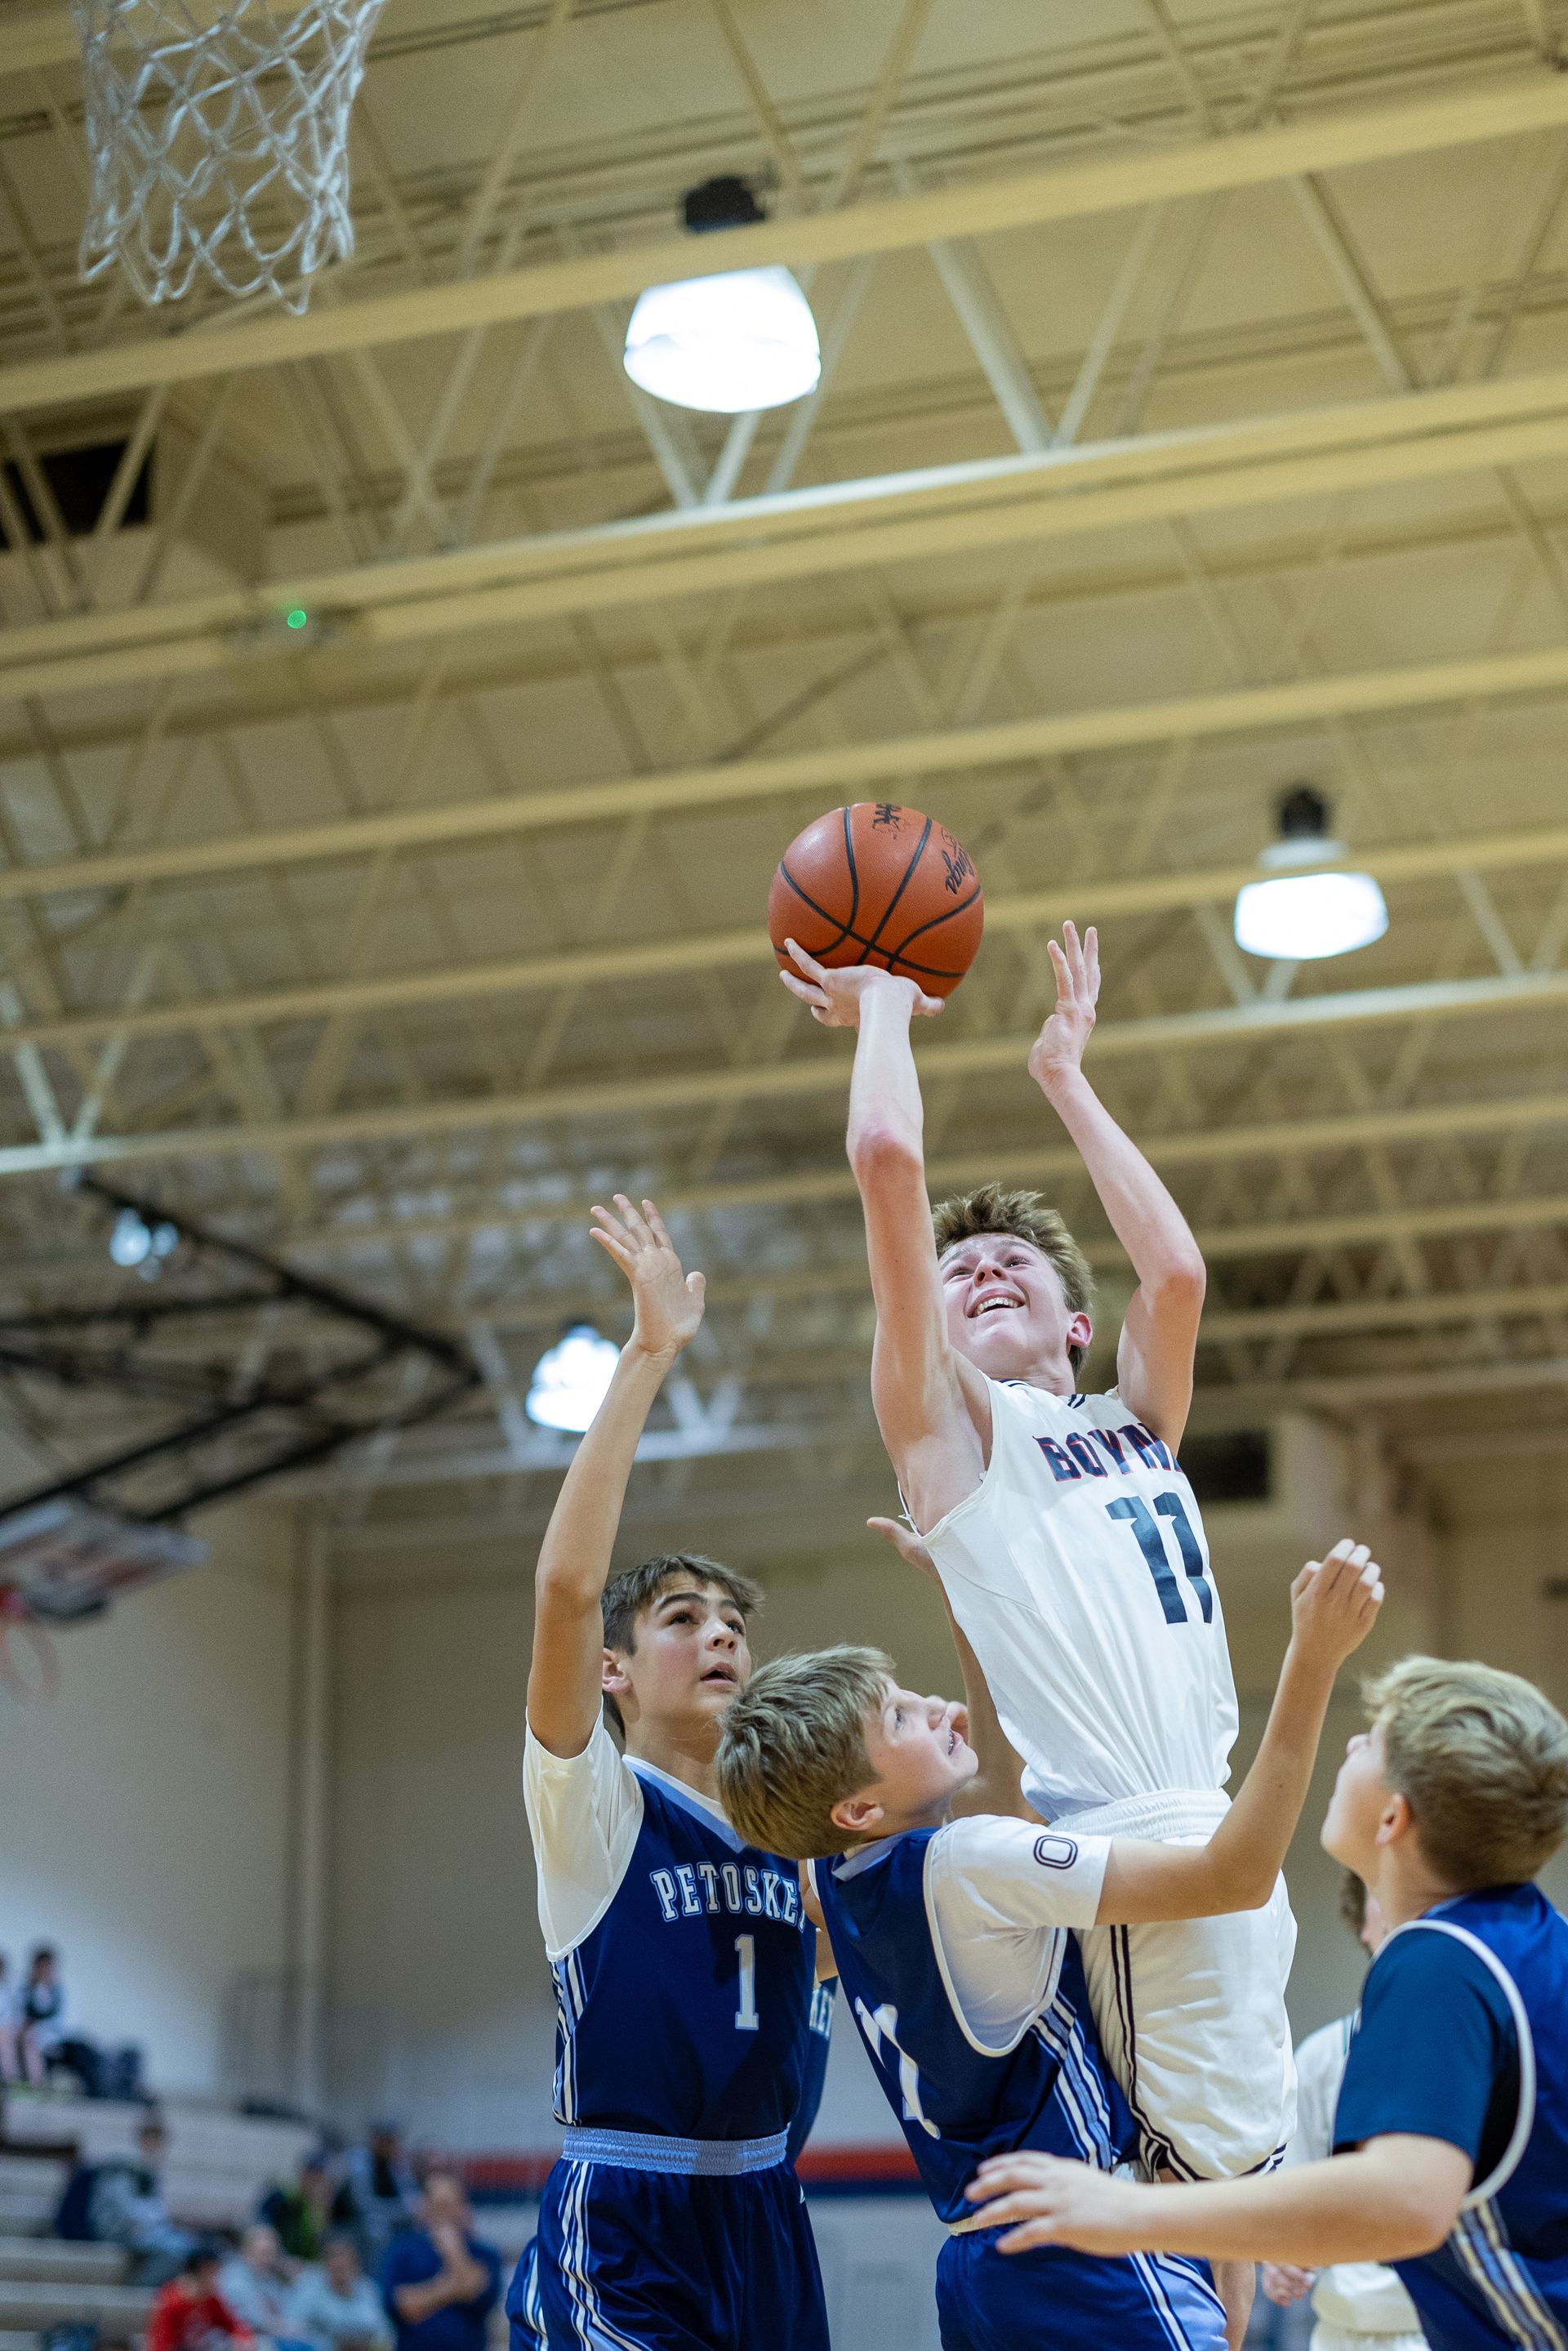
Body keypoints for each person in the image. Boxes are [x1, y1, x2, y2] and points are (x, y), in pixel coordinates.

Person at [781, 918, 1291, 2343]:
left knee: (1235, 2222)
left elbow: (1178, 1276)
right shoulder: (949, 1435)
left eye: (1019, 1262)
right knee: (1196, 2217)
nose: (987, 1271)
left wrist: (1068, 1074)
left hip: (1219, 1817)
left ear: (1078, 1323)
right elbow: (890, 1167)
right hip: (1130, 1847)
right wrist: (884, 1008)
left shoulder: (1132, 1423)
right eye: (961, 1271)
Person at [719, 1536, 1383, 2351]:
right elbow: (1232, 1876)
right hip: (1083, 2249)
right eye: (899, 1715)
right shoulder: (964, 1864)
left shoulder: (840, 1883)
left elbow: (1001, 1796)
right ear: (856, 1809)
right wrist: (1312, 1660)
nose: (932, 1706)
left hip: (976, 2267)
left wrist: (971, 1603)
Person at [959, 1657, 1568, 2351]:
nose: (1351, 1744)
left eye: (1374, 1742)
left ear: (1394, 1817)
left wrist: (1129, 2210)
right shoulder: (1536, 1938)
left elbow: (1404, 2202)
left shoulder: (1440, 1960)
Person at [507, 1193, 831, 2351]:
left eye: (736, 1620)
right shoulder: (597, 1807)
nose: (723, 1635)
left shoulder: (799, 1835)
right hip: (629, 2210)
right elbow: (562, 1589)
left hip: (767, 2211)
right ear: (616, 1671)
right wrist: (647, 1356)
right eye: (685, 1616)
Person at [1261, 1875, 1427, 2351]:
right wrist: (1282, 2256)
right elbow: (1292, 2207)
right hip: (1347, 2333)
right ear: (1363, 1926)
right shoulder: (1322, 2057)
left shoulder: (1505, 2043)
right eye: (1386, 1885)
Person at [381, 2170, 498, 2351]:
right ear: (424, 2205)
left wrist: (454, 2252)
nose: (443, 2212)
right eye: (437, 2204)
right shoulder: (402, 2248)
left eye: (448, 2204)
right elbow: (400, 2305)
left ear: (462, 2206)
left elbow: (482, 2297)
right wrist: (454, 2286)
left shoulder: (484, 2253)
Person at [91, 2117, 198, 2286]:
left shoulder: (149, 2169)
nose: (156, 2147)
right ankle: (139, 2290)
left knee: (189, 2243)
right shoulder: (124, 2167)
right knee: (176, 2249)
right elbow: (123, 2207)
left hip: (143, 2229)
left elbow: (154, 2207)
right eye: (152, 2140)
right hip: (119, 2229)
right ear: (143, 2140)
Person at [290, 2231, 393, 2351]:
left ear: (356, 2262)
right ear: (324, 2261)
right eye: (334, 2257)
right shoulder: (307, 2286)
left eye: (346, 2257)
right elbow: (290, 2332)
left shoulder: (368, 2289)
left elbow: (385, 2334)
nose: (340, 2262)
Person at [220, 2224, 313, 2348]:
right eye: (264, 2252)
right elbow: (255, 2321)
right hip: (240, 2339)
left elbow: (288, 2311)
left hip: (269, 2336)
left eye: (273, 2252)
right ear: (246, 2250)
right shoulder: (235, 2278)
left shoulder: (268, 2278)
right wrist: (290, 2328)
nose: (270, 2257)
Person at [146, 2245, 253, 2351]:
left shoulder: (210, 2299)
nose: (220, 2278)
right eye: (215, 2272)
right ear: (203, 2270)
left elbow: (234, 2325)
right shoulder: (172, 2300)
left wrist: (243, 2340)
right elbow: (161, 2344)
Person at [261, 2155, 358, 2267]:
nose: (317, 2183)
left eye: (321, 2179)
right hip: (280, 2263)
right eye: (313, 2177)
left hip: (315, 2270)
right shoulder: (282, 2198)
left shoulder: (335, 2204)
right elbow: (264, 2232)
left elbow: (334, 2246)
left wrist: (323, 2212)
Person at [342, 2126, 416, 2271]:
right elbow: (363, 2204)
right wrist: (402, 2212)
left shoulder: (397, 2163)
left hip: (392, 2220)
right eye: (386, 2141)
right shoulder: (360, 2162)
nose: (390, 2146)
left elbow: (411, 2197)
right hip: (354, 2223)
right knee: (377, 2227)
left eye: (392, 2141)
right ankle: (375, 2280)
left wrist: (409, 2211)